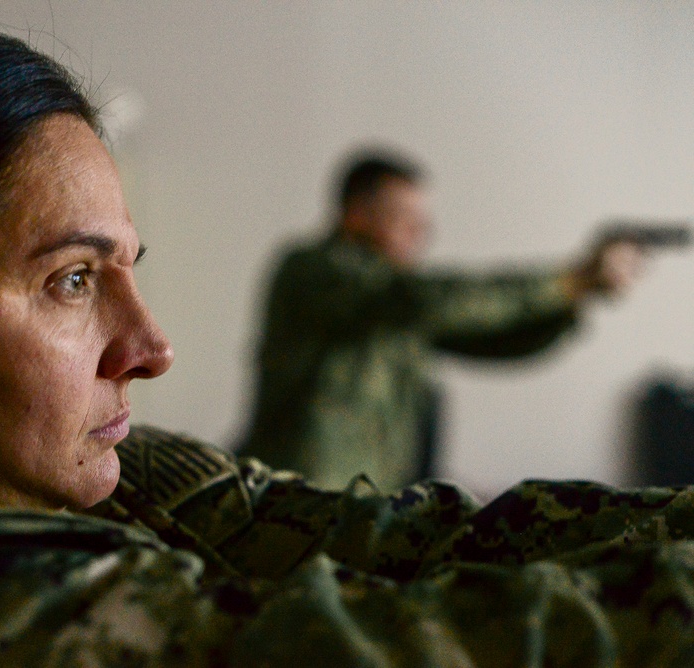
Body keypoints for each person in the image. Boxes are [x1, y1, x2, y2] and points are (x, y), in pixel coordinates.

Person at [0, 13, 692, 666]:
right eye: (73, 279)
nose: (151, 344)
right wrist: (568, 276)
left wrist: (569, 304)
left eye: (130, 268)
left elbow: (423, 536)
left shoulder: (72, 465)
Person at [240, 152, 645, 492]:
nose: (420, 232)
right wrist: (569, 281)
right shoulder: (315, 270)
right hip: (298, 500)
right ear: (356, 214)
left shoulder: (394, 305)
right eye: (403, 217)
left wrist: (575, 297)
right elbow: (427, 302)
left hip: (363, 503)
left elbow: (498, 340)